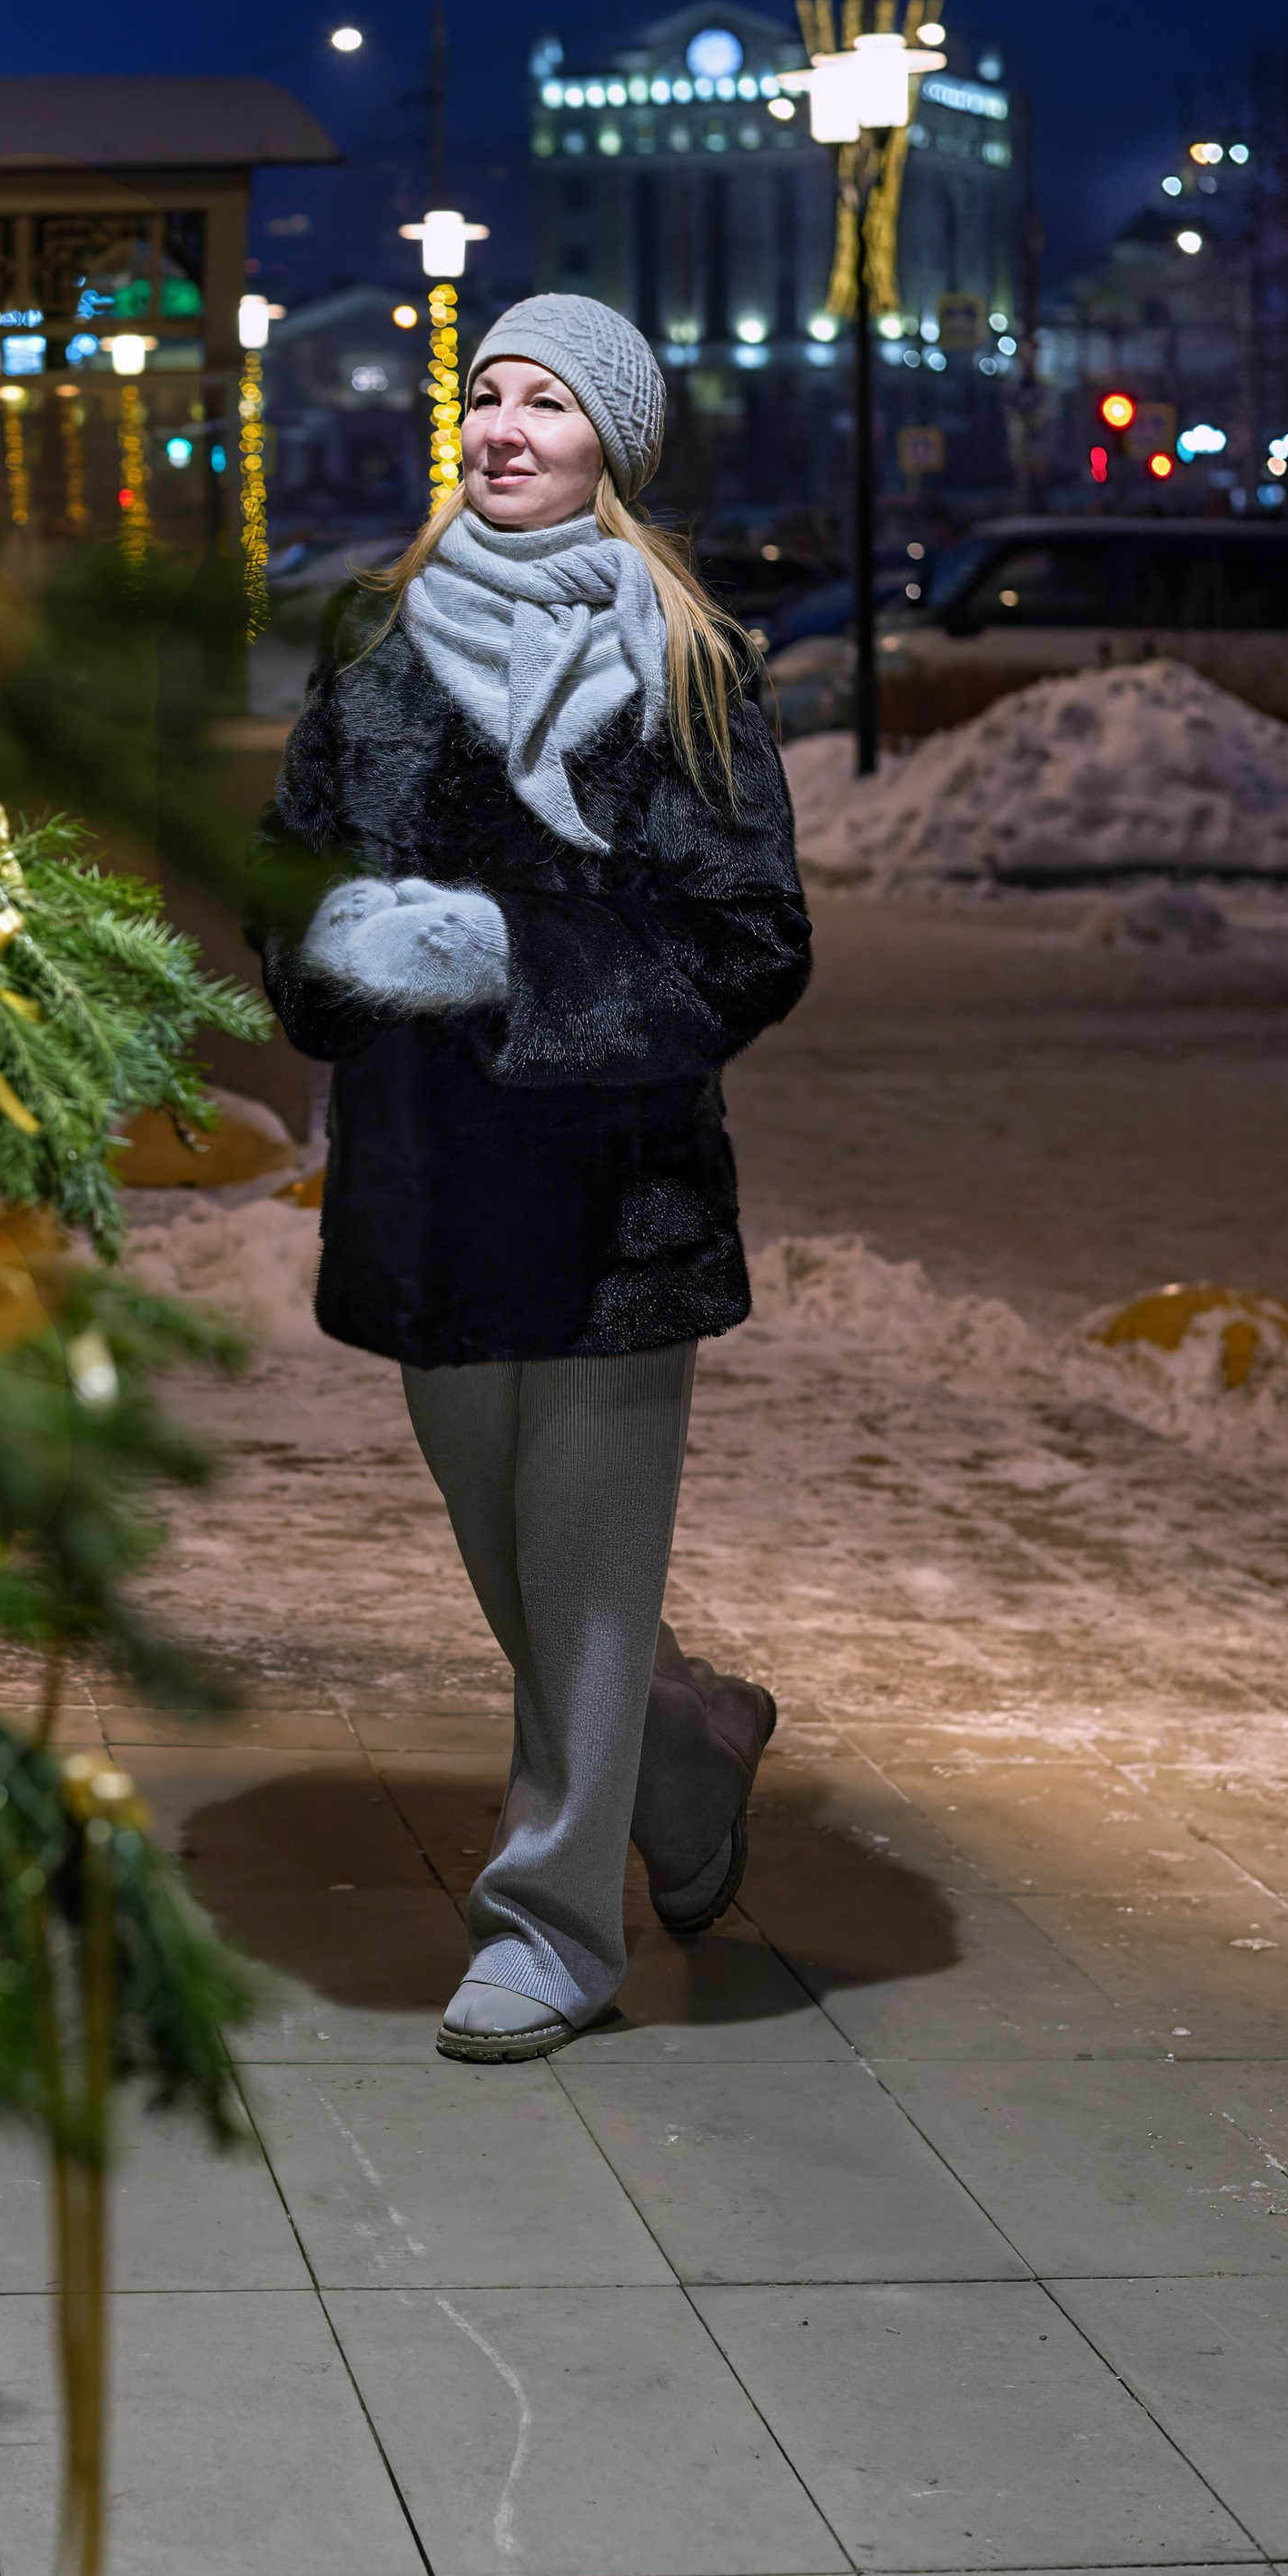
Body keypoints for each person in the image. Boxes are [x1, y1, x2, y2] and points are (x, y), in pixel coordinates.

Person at [249, 294, 810, 2062]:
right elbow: (284, 868)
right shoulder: (380, 643)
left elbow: (747, 939)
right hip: (427, 1191)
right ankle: (689, 1739)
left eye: (545, 403)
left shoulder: (683, 659)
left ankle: (550, 1924)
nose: (501, 426)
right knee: (512, 1564)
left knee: (576, 1568)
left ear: (607, 451)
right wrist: (343, 945)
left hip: (606, 1198)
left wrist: (508, 963)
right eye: (483, 394)